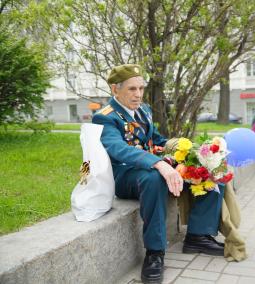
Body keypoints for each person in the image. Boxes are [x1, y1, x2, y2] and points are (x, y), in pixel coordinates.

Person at [92, 64, 224, 283]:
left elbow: (157, 141)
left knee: (208, 166)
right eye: (132, 89)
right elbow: (118, 149)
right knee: (154, 177)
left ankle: (198, 235)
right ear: (115, 89)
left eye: (141, 88)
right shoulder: (105, 117)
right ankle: (155, 254)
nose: (138, 94)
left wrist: (192, 151)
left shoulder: (144, 111)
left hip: (150, 167)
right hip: (125, 177)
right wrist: (158, 163)